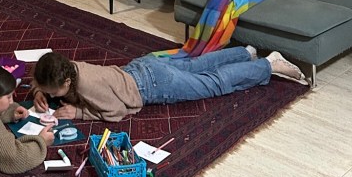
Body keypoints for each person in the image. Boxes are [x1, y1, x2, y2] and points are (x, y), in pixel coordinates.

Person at [30, 47, 307, 122]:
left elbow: (118, 111)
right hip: (144, 66)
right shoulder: (67, 66)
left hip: (153, 84)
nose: (52, 96)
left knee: (212, 83)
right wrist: (38, 91)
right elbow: (46, 79)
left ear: (67, 82)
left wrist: (79, 113)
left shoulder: (86, 85)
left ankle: (268, 65)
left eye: (53, 92)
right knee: (197, 65)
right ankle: (244, 53)